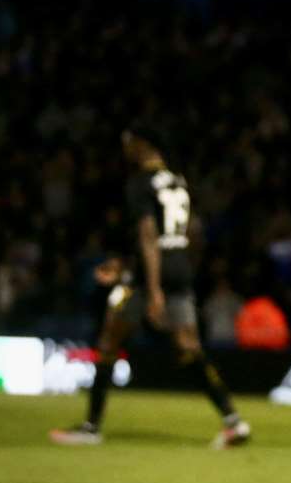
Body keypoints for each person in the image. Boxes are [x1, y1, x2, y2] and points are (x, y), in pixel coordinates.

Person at [50, 124, 250, 448]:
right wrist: (175, 267)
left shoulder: (139, 183)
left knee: (109, 339)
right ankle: (233, 421)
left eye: (128, 140)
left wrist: (153, 289)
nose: (125, 147)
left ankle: (91, 427)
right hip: (180, 268)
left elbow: (148, 236)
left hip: (148, 278)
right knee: (189, 347)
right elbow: (192, 233)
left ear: (142, 144)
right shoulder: (178, 179)